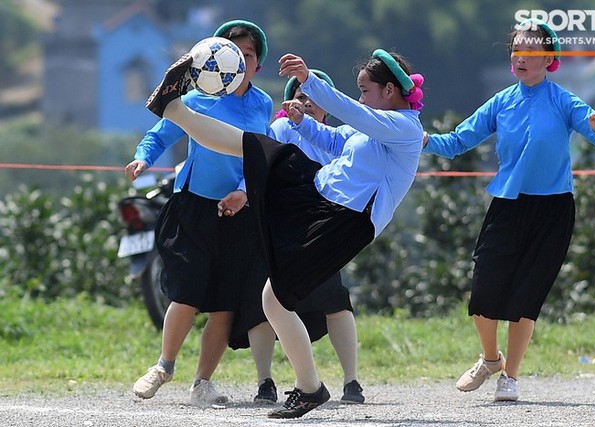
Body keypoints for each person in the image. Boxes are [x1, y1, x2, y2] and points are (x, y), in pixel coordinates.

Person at [144, 47, 425, 418]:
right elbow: (338, 141)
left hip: (344, 220)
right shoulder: (375, 130)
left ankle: (309, 388)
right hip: (316, 194)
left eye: (365, 90)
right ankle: (174, 108)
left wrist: (310, 82)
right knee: (255, 147)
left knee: (273, 300)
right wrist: (303, 123)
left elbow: (353, 113)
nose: (361, 98)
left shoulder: (405, 127)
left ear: (390, 91)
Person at [422, 19, 595, 402]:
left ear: (549, 59)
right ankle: (490, 359)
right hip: (507, 207)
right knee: (482, 295)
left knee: (525, 300)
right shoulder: (501, 102)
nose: (521, 58)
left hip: (554, 211)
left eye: (531, 52)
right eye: (516, 51)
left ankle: (509, 377)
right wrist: (421, 139)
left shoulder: (563, 100)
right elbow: (457, 141)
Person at [126, 20, 273, 407]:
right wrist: (142, 160)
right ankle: (164, 365)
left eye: (248, 54)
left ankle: (202, 383)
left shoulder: (262, 104)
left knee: (224, 302)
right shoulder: (195, 100)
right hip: (192, 207)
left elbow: (258, 156)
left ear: (258, 63)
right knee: (188, 291)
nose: (240, 61)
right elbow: (158, 135)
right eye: (232, 53)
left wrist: (243, 193)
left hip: (238, 211)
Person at [227, 69, 365, 405]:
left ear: (327, 108)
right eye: (301, 96)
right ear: (289, 102)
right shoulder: (278, 129)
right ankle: (265, 382)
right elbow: (258, 167)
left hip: (318, 228)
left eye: (315, 99)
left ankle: (352, 381)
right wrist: (243, 193)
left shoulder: (338, 138)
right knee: (260, 306)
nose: (306, 103)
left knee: (335, 301)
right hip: (274, 225)